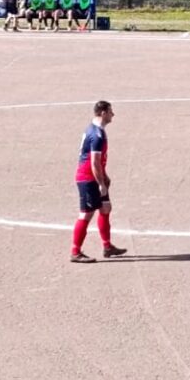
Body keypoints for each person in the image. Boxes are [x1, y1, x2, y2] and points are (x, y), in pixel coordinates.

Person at [70, 101, 127, 263]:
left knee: (105, 208)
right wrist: (101, 183)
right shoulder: (97, 135)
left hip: (95, 176)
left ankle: (107, 247)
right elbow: (94, 162)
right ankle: (75, 252)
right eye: (110, 111)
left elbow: (98, 161)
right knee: (86, 214)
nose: (112, 115)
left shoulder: (96, 130)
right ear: (103, 113)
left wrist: (105, 176)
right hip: (88, 178)